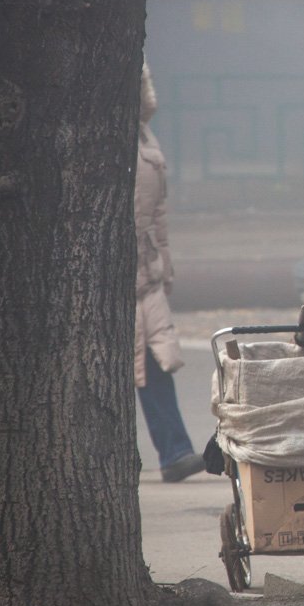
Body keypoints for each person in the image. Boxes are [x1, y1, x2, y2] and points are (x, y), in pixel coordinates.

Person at [135, 61, 205, 483]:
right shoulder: (92, 140)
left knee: (154, 358)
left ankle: (175, 452)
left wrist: (164, 264)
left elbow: (157, 214)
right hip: (101, 279)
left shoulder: (143, 136)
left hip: (143, 275)